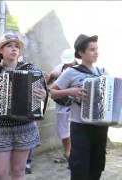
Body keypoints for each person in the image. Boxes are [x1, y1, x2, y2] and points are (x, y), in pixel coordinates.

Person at [0, 32, 47, 180]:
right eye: (9, 46)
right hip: (1, 127)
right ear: (1, 50)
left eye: (16, 46)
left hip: (24, 126)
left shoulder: (31, 70)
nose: (14, 49)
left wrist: (42, 96)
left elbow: (42, 95)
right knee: (0, 174)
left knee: (18, 171)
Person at [50, 34, 108, 180]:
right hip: (81, 126)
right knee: (80, 168)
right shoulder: (71, 72)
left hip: (101, 126)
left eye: (96, 49)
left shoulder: (102, 72)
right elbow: (52, 92)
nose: (96, 52)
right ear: (81, 53)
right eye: (91, 49)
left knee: (97, 166)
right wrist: (70, 91)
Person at [47, 49, 77, 164]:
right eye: (67, 62)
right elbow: (50, 78)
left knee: (74, 131)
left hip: (75, 106)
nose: (68, 64)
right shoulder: (59, 68)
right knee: (64, 132)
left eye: (70, 62)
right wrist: (49, 78)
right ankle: (68, 154)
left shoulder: (79, 70)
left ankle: (72, 155)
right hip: (62, 106)